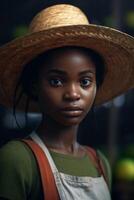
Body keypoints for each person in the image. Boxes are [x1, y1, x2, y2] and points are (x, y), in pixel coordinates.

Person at [0, 3, 134, 200]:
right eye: (56, 81)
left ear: (97, 85)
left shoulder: (100, 163)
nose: (72, 94)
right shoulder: (17, 159)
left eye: (85, 81)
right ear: (35, 85)